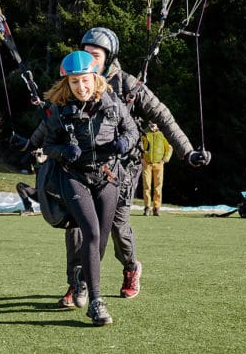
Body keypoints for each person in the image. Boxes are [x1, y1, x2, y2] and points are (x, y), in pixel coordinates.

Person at [19, 26, 211, 305]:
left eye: (95, 55)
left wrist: (188, 152)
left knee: (117, 226)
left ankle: (131, 266)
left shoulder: (127, 85)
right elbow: (53, 121)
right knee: (76, 225)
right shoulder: (78, 81)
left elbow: (164, 116)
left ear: (108, 58)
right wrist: (28, 144)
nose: (89, 60)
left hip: (119, 169)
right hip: (79, 169)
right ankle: (78, 282)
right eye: (85, 54)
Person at [30, 49, 138, 326]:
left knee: (100, 239)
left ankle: (81, 276)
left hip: (108, 177)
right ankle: (96, 302)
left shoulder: (113, 103)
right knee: (89, 232)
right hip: (74, 177)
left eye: (85, 80)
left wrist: (124, 143)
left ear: (95, 77)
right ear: (67, 83)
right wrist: (64, 151)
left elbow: (132, 131)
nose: (81, 87)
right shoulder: (59, 110)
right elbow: (48, 144)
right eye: (75, 82)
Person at [140, 121, 172, 216]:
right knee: (147, 186)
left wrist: (165, 159)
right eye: (150, 124)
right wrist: (141, 158)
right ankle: (147, 207)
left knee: (158, 187)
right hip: (147, 163)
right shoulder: (144, 134)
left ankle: (156, 208)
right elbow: (138, 146)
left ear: (157, 125)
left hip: (159, 164)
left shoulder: (162, 134)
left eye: (154, 124)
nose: (152, 126)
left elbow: (169, 148)